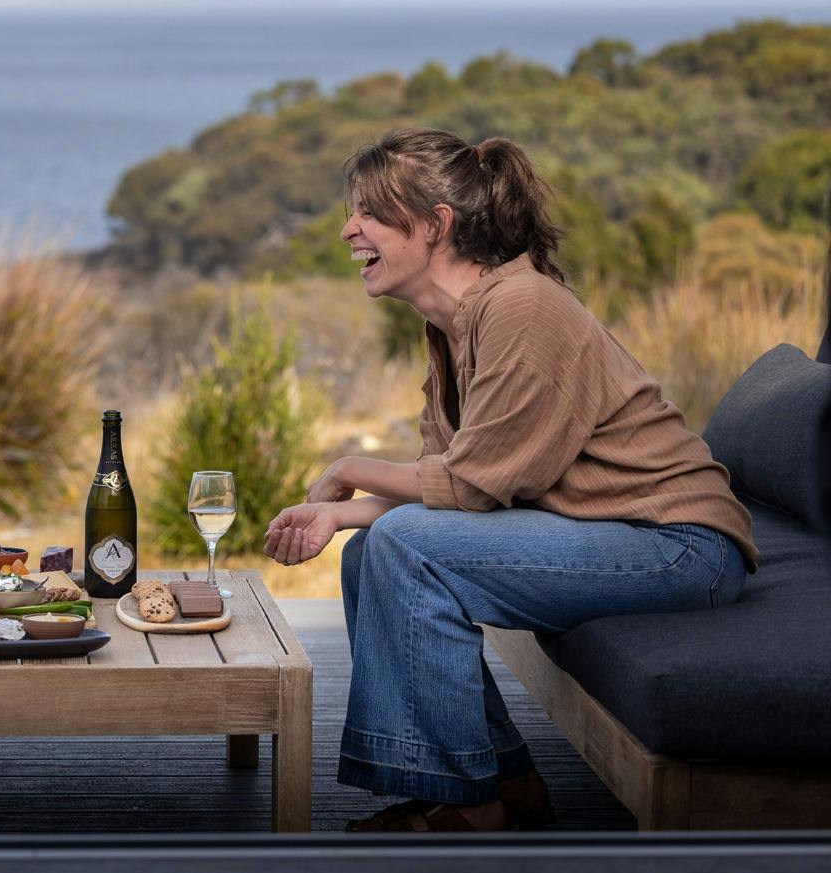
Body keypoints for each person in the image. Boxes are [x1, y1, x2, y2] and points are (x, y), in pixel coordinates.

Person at [264, 127, 758, 833]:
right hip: (608, 530)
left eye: (370, 211)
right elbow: (448, 485)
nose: (349, 229)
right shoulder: (451, 329)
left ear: (436, 225)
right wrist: (344, 519)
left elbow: (469, 487)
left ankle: (467, 802)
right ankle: (508, 780)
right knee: (376, 551)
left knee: (402, 543)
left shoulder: (522, 307)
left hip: (678, 544)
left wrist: (346, 474)